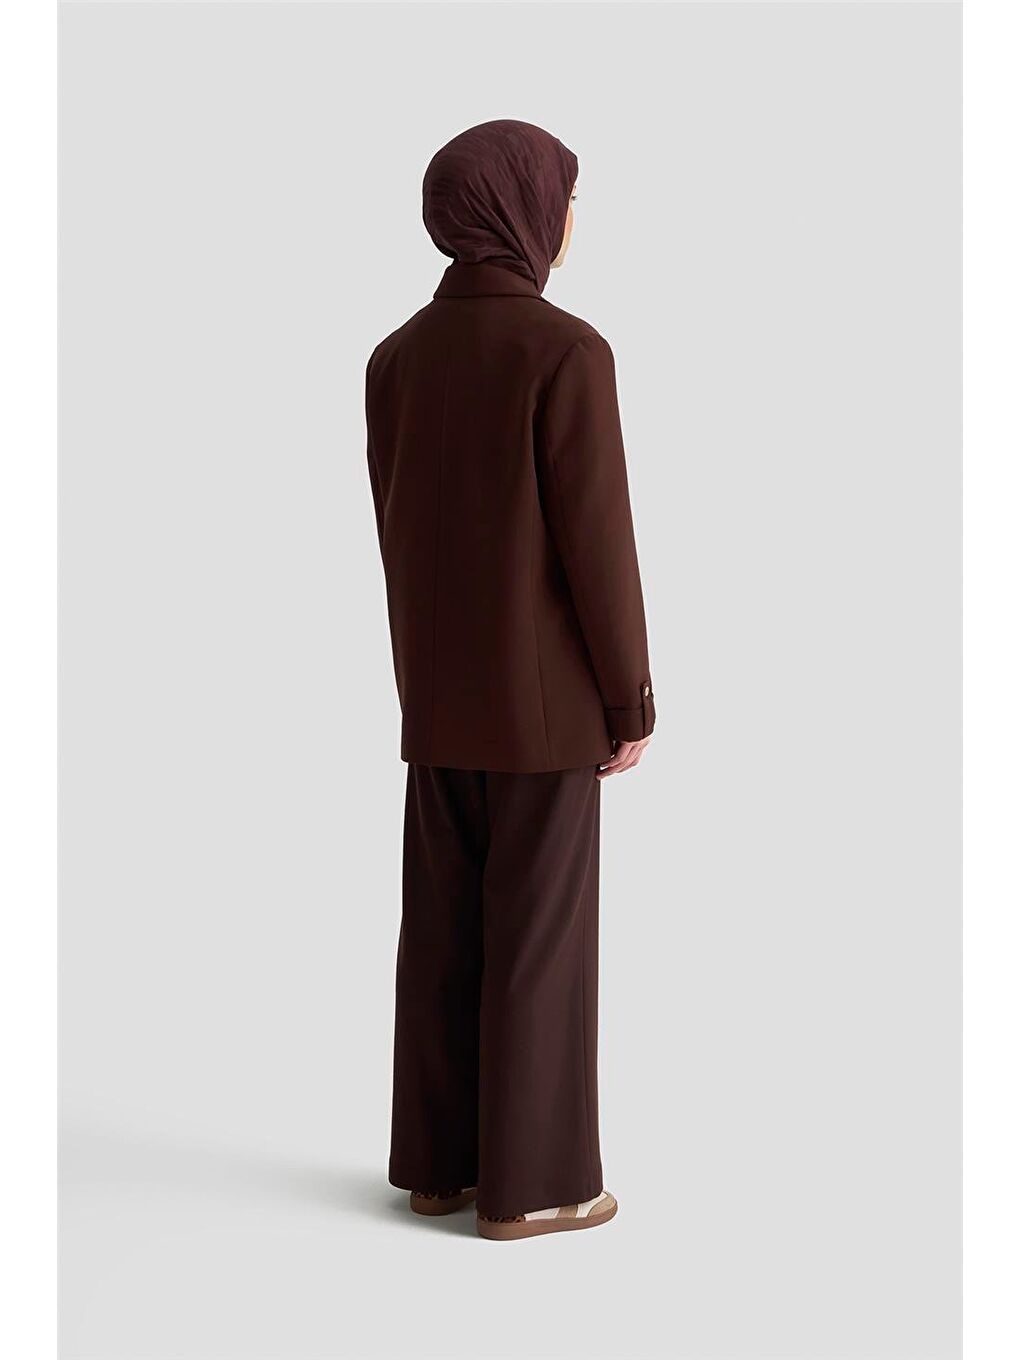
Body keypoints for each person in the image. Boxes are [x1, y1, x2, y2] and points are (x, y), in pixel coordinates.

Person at [365, 119, 654, 1241]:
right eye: (565, 195)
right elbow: (598, 546)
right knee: (538, 947)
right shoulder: (565, 351)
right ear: (523, 209)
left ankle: (440, 1170)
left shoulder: (395, 357)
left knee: (442, 937)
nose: (572, 218)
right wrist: (630, 699)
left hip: (436, 702)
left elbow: (402, 535)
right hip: (545, 717)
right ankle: (536, 1187)